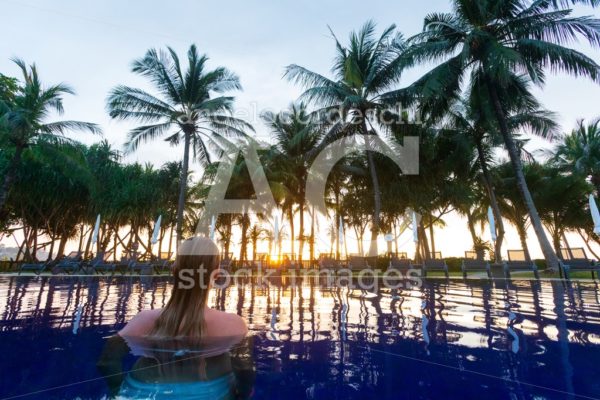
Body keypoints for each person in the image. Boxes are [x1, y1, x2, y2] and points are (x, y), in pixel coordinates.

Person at [97, 237, 254, 399]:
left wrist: (117, 389)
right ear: (217, 274)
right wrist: (241, 394)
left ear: (174, 270)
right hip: (208, 393)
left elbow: (107, 361)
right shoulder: (234, 326)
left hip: (141, 391)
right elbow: (245, 372)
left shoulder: (142, 321)